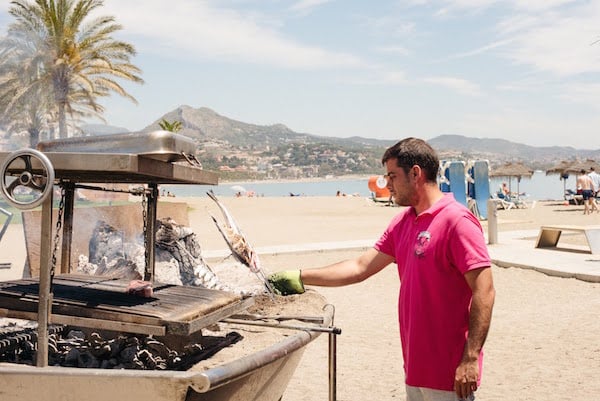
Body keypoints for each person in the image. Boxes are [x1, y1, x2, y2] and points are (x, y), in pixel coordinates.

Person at [269, 137, 495, 401]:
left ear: (415, 173)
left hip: (450, 374)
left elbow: (485, 291)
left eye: (392, 176)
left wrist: (470, 358)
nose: (387, 185)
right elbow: (359, 267)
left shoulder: (457, 221)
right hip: (415, 369)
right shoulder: (403, 223)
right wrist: (299, 277)